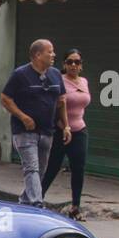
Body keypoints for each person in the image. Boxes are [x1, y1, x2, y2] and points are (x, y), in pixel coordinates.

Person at [0, 39, 66, 207]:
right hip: (24, 131)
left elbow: (62, 100)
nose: (53, 55)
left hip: (47, 131)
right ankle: (37, 203)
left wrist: (65, 125)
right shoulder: (20, 74)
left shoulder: (56, 74)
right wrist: (23, 117)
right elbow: (5, 98)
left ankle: (24, 202)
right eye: (49, 52)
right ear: (37, 55)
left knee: (40, 171)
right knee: (32, 168)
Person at [41, 47, 89, 219]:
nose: (73, 65)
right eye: (70, 62)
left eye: (77, 62)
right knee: (53, 167)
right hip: (61, 131)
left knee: (79, 169)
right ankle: (37, 200)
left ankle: (75, 207)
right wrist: (62, 126)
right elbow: (55, 105)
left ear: (81, 65)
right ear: (64, 64)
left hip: (80, 130)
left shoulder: (84, 82)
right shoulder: (58, 80)